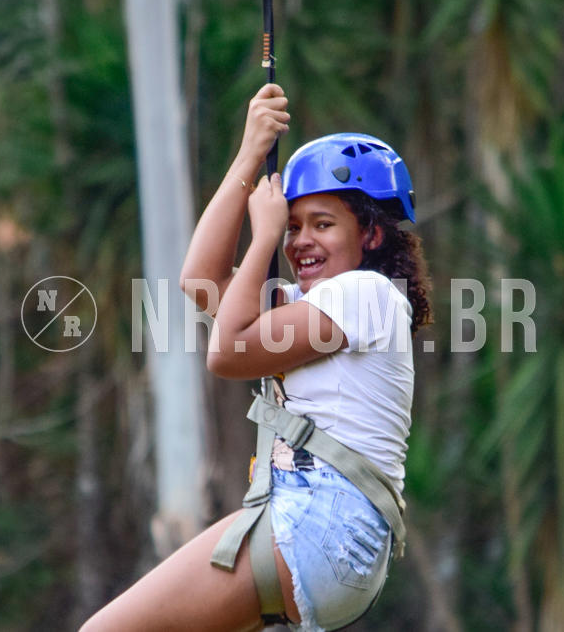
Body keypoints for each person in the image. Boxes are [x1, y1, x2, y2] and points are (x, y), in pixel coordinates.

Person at [81, 83, 432, 632]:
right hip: (330, 539)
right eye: (293, 225)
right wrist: (249, 154)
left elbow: (227, 351)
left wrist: (264, 234)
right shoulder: (318, 306)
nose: (299, 241)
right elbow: (201, 281)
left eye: (322, 223)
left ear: (369, 233)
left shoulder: (364, 294)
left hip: (322, 528)